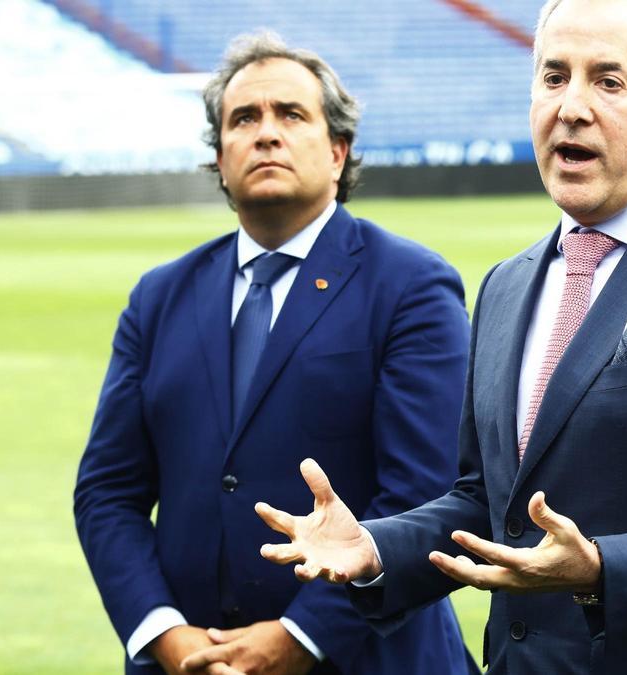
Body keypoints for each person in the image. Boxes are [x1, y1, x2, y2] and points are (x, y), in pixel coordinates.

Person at [256, 0, 627, 672]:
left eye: (608, 81)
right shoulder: (506, 284)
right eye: (554, 77)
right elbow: (483, 499)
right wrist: (377, 548)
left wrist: (600, 567)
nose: (572, 107)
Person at [74, 32, 476, 675]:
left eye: (291, 115)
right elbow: (106, 492)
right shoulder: (159, 298)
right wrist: (165, 634)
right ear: (219, 158)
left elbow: (424, 491)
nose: (266, 133)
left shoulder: (410, 286)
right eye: (244, 119)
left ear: (338, 151)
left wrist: (301, 634)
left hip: (364, 658)